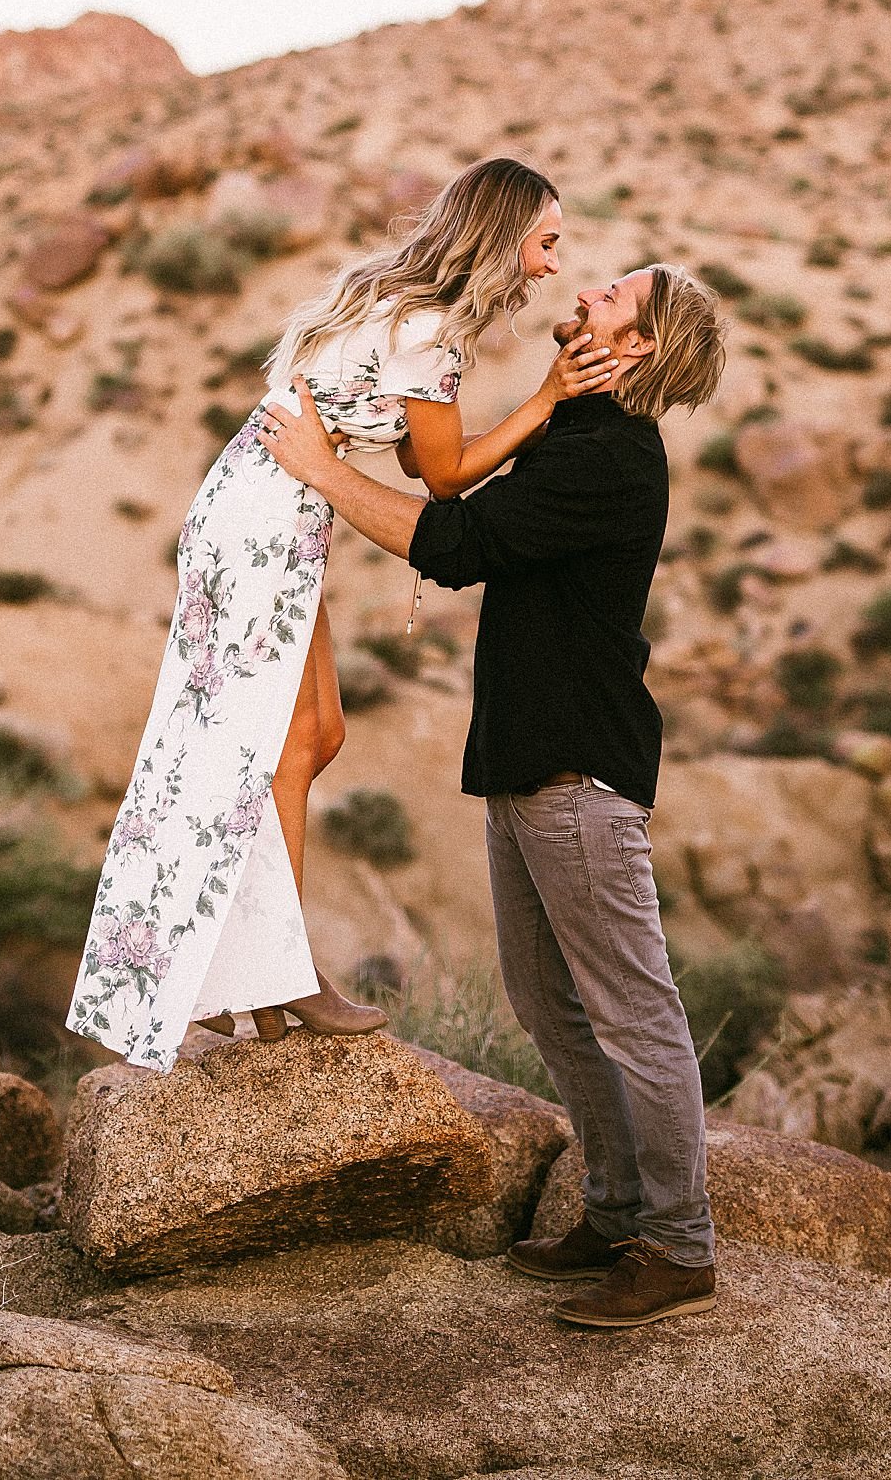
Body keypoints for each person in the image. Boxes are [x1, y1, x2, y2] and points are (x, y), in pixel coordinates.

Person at [67, 158, 614, 1073]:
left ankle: (242, 977)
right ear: (504, 234)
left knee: (316, 733)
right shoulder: (431, 329)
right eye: (548, 242)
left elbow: (406, 462)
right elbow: (440, 482)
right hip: (266, 518)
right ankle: (281, 979)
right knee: (276, 745)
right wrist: (551, 400)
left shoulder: (397, 301)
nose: (555, 265)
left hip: (262, 505)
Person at [259, 263, 727, 1331]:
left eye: (617, 297)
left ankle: (681, 1247)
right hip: (526, 765)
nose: (592, 288)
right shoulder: (574, 430)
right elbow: (454, 482)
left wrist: (323, 472)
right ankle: (613, 1215)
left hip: (578, 776)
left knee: (634, 1016)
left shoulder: (612, 460)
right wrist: (545, 392)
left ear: (642, 347)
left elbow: (456, 543)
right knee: (547, 1004)